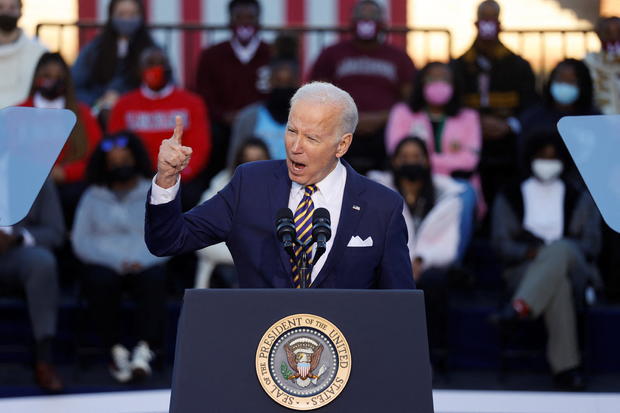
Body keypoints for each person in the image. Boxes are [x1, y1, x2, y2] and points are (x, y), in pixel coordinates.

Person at [145, 82, 415, 289]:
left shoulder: (382, 207)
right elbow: (168, 240)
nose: (295, 147)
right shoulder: (249, 184)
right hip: (260, 350)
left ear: (342, 144)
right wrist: (166, 179)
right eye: (291, 131)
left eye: (311, 138)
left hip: (348, 356)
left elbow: (399, 306)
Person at [491, 130, 601, 391]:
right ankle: (566, 369)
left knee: (561, 249)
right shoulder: (511, 195)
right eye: (542, 156)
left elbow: (592, 245)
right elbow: (500, 243)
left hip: (576, 266)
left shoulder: (580, 196)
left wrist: (553, 251)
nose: (547, 161)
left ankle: (519, 307)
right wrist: (529, 253)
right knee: (558, 286)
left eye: (553, 157)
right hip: (525, 269)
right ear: (531, 158)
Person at [71, 132, 168, 383]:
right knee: (99, 280)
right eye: (113, 162)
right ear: (104, 166)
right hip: (106, 264)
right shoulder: (92, 196)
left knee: (155, 279)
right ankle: (116, 350)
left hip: (146, 260)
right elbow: (80, 241)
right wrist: (115, 263)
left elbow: (167, 235)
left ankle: (145, 349)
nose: (120, 166)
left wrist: (142, 260)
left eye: (125, 160)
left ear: (136, 159)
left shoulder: (154, 190)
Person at [368, 137, 471, 354]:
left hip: (427, 266)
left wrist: (421, 260)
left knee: (434, 284)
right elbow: (373, 235)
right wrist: (403, 263)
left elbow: (448, 245)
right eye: (404, 157)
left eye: (416, 157)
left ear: (426, 161)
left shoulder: (449, 196)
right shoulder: (378, 191)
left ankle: (431, 355)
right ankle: (384, 353)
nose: (411, 162)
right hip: (390, 262)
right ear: (394, 161)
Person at [309, 0, 416, 174]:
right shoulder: (332, 54)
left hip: (385, 129)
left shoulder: (399, 57)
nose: (366, 22)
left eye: (372, 17)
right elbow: (317, 93)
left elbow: (409, 99)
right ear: (352, 22)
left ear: (382, 23)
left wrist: (381, 118)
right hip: (341, 127)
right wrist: (348, 118)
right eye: (361, 17)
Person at [453, 0, 537, 208]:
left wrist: (509, 125)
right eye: (484, 19)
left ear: (500, 24)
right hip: (469, 145)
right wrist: (475, 123)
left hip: (508, 146)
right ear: (476, 23)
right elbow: (452, 105)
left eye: (492, 19)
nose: (488, 25)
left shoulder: (519, 66)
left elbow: (531, 105)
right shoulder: (458, 67)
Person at [108, 47, 211, 209]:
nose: (156, 68)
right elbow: (116, 145)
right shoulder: (123, 105)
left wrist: (174, 175)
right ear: (139, 70)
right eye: (150, 64)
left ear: (169, 68)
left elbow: (200, 147)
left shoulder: (192, 103)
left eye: (161, 64)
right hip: (136, 178)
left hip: (180, 178)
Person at [385, 61, 484, 216]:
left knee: (465, 194)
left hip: (454, 181)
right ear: (421, 82)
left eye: (445, 79)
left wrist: (424, 161)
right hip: (411, 179)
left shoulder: (468, 117)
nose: (439, 84)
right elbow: (397, 152)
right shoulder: (402, 112)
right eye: (432, 78)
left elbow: (469, 161)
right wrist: (448, 160)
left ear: (454, 85)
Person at [19, 52, 103, 226]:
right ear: (37, 78)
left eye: (58, 77)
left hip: (71, 188)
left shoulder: (83, 114)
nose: (52, 80)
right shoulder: (18, 112)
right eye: (47, 76)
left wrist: (65, 173)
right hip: (28, 188)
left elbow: (97, 158)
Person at [0, 179, 65, 392]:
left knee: (42, 262)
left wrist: (16, 238)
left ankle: (44, 359)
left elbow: (55, 232)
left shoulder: (36, 176)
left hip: (18, 252)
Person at [195, 0, 271, 178]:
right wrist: (224, 116)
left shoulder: (270, 53)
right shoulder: (211, 55)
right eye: (239, 18)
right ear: (229, 21)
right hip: (223, 125)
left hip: (261, 121)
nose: (245, 23)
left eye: (250, 18)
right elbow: (204, 96)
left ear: (259, 21)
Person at [195, 137, 271, 289]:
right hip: (225, 270)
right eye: (246, 160)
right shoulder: (220, 188)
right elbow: (200, 237)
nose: (252, 165)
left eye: (258, 160)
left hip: (268, 271)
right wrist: (245, 256)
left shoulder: (283, 191)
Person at [72, 0, 155, 116]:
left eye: (132, 15)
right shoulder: (94, 50)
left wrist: (126, 101)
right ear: (111, 16)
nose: (127, 19)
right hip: (100, 114)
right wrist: (97, 102)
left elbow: (164, 87)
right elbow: (74, 86)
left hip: (139, 116)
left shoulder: (152, 51)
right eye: (121, 14)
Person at [227, 56, 300, 165]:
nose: (283, 88)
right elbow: (234, 161)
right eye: (278, 82)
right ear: (269, 82)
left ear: (297, 83)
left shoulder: (307, 120)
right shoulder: (248, 118)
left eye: (288, 83)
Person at [0, 0, 46, 108]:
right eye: (1, 7)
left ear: (20, 12)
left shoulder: (40, 53)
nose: (6, 12)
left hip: (25, 120)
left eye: (12, 8)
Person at [584, 16, 620, 114]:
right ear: (598, 34)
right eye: (608, 32)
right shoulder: (589, 62)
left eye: (619, 32)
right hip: (599, 121)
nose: (614, 37)